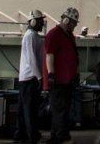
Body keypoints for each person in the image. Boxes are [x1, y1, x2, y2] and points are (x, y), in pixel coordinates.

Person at [44, 8, 81, 144]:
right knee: (60, 110)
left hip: (67, 81)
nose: (75, 26)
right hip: (58, 81)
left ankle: (55, 137)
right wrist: (51, 74)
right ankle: (62, 137)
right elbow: (50, 54)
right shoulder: (54, 34)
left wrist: (75, 74)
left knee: (61, 110)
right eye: (74, 23)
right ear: (66, 20)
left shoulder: (68, 36)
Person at [16, 9, 46, 144]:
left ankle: (22, 135)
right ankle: (32, 137)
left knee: (24, 109)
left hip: (27, 78)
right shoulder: (30, 36)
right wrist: (39, 77)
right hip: (30, 78)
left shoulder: (33, 36)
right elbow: (32, 59)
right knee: (30, 110)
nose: (42, 24)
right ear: (33, 21)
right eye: (40, 21)